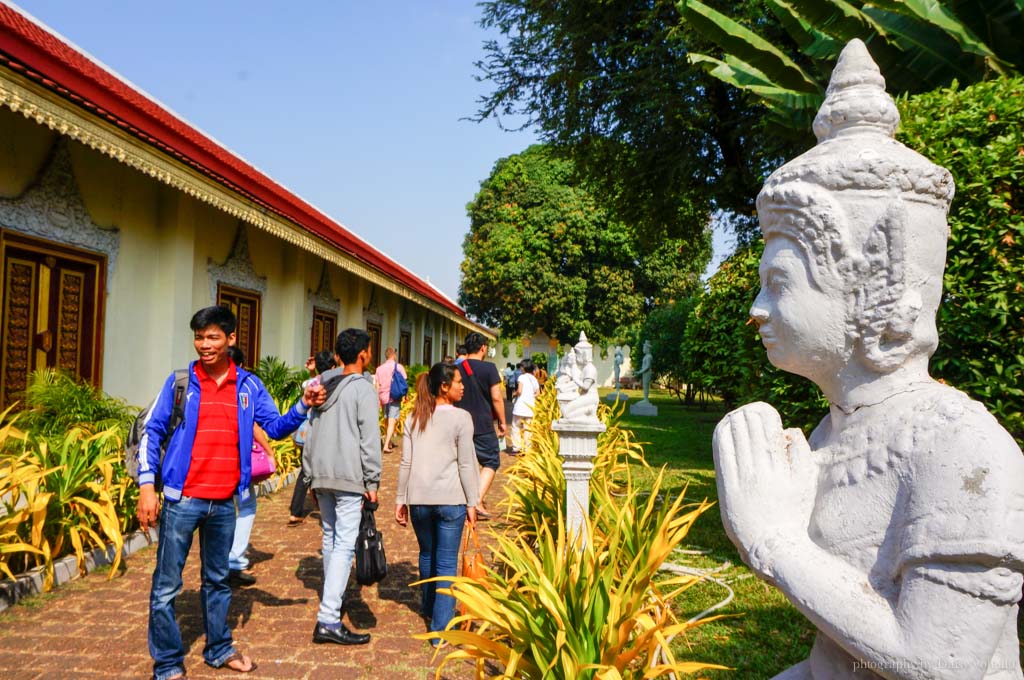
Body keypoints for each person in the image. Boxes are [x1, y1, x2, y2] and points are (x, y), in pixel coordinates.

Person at [713, 40, 1024, 678]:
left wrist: (773, 543)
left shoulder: (960, 450)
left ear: (873, 297)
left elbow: (938, 663)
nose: (756, 309)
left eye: (780, 282)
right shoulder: (834, 434)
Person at [137, 305, 324, 680]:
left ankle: (219, 648)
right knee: (166, 586)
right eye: (199, 337)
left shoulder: (249, 386)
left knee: (218, 580)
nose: (204, 345)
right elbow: (152, 431)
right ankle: (169, 662)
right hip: (182, 500)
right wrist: (147, 487)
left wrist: (303, 405)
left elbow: (274, 426)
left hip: (224, 503)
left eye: (213, 337)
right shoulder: (179, 382)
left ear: (231, 339)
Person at [303, 328, 381, 646]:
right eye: (370, 350)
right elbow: (369, 438)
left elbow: (310, 432)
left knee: (331, 539)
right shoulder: (362, 388)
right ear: (363, 354)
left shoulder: (322, 385)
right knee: (344, 545)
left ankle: (332, 600)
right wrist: (372, 479)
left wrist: (308, 475)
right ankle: (329, 617)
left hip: (322, 473)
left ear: (337, 356)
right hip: (349, 475)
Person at [394, 363, 480, 638]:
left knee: (427, 554)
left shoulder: (413, 417)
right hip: (450, 499)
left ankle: (430, 607)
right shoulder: (461, 418)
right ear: (444, 386)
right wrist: (473, 502)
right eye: (458, 381)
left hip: (419, 498)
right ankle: (440, 627)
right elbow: (466, 465)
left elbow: (406, 462)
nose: (462, 386)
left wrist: (400, 499)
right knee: (445, 563)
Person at [225, 345, 275, 587]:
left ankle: (217, 562)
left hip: (212, 463)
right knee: (245, 507)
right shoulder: (245, 386)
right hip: (237, 462)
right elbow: (256, 425)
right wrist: (268, 450)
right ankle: (233, 561)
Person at [455, 332, 506, 519]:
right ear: (483, 348)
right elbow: (496, 397)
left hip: (459, 421)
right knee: (491, 460)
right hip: (483, 423)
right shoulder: (489, 369)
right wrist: (502, 421)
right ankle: (476, 500)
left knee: (462, 461)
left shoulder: (456, 368)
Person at [288, 350, 336, 526]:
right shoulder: (332, 384)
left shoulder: (310, 383)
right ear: (333, 367)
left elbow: (311, 382)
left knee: (305, 472)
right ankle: (328, 509)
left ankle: (295, 511)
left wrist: (312, 371)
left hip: (303, 434)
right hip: (320, 434)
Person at [374, 347, 407, 453]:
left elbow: (377, 385)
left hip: (383, 397)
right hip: (394, 396)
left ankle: (388, 442)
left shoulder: (379, 368)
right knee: (392, 421)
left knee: (386, 420)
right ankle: (386, 445)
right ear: (394, 355)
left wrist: (378, 399)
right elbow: (404, 380)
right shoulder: (398, 367)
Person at [510, 359, 539, 454]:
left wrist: (514, 394)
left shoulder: (521, 377)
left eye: (522, 366)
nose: (521, 368)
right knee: (528, 429)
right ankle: (527, 449)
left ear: (525, 367)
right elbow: (538, 393)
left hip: (520, 407)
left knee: (516, 427)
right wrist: (530, 396)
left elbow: (519, 391)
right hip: (530, 407)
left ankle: (516, 448)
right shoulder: (534, 378)